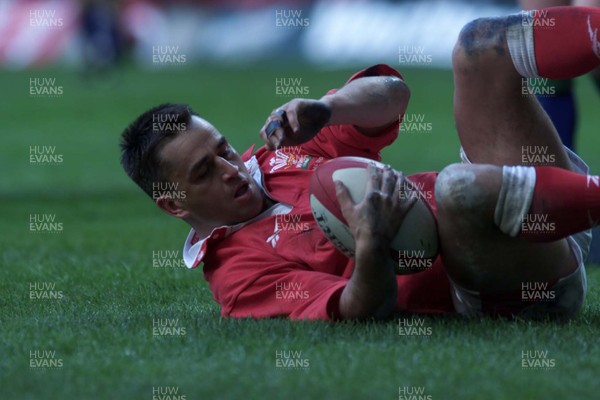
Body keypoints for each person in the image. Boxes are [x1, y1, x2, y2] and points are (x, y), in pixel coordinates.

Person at [120, 6, 600, 320]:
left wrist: (330, 109)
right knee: (457, 190)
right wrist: (371, 241)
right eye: (204, 172)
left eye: (222, 149)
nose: (230, 168)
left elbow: (395, 96)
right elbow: (357, 311)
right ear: (172, 204)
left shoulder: (281, 147)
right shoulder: (238, 277)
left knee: (477, 45)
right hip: (508, 286)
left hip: (538, 215)